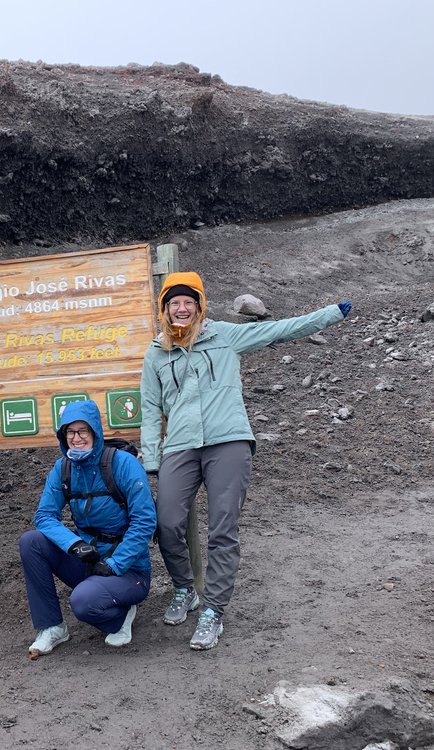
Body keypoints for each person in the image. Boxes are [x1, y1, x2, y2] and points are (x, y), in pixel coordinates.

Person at [140, 271, 352, 650]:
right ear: (165, 309)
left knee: (223, 528)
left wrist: (330, 314)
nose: (182, 308)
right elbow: (151, 407)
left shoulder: (223, 335)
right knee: (167, 522)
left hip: (228, 441)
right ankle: (185, 588)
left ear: (199, 306)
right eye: (175, 303)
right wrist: (152, 458)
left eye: (189, 302)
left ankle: (213, 611)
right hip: (180, 446)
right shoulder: (156, 353)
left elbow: (279, 331)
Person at [19, 399, 156, 658]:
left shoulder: (123, 464)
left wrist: (115, 564)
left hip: (129, 570)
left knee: (83, 602)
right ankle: (52, 627)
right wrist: (74, 544)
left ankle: (121, 613)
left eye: (83, 431)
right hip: (89, 560)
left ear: (95, 432)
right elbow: (45, 515)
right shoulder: (63, 468)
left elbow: (145, 521)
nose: (76, 438)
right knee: (31, 542)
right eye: (70, 432)